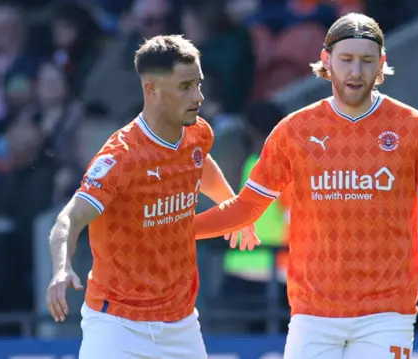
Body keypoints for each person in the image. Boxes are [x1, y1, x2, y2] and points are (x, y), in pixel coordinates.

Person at [195, 13, 418, 359]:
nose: (356, 72)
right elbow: (244, 209)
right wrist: (171, 229)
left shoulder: (413, 128)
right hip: (312, 314)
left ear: (381, 63)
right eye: (346, 60)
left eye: (366, 61)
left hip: (387, 313)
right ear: (326, 61)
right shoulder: (293, 131)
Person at [44, 35, 259, 359]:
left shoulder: (197, 132)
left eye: (199, 84)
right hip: (117, 325)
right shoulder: (121, 158)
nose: (198, 96)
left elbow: (199, 164)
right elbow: (69, 219)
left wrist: (232, 207)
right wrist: (61, 268)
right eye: (185, 87)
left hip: (181, 324)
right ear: (151, 90)